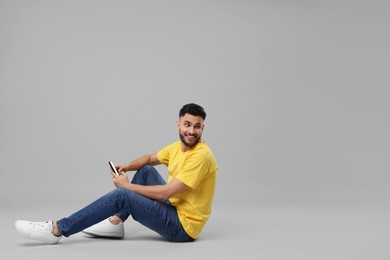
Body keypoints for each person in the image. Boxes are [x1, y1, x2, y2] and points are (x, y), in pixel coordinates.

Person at [15, 103, 218, 244]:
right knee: (146, 171)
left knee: (123, 195)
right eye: (187, 125)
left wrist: (126, 186)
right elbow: (149, 159)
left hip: (182, 228)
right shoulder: (176, 147)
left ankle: (56, 229)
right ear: (178, 125)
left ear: (203, 128)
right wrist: (127, 167)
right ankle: (116, 222)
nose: (191, 131)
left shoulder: (201, 156)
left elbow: (166, 193)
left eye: (197, 127)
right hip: (175, 207)